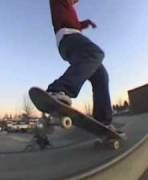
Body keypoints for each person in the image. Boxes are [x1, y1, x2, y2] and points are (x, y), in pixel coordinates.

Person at [48, 0, 123, 133]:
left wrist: (86, 23)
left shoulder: (69, 8)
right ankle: (58, 89)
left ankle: (103, 120)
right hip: (68, 37)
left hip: (73, 39)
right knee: (95, 53)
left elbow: (75, 24)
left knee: (101, 75)